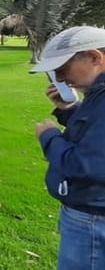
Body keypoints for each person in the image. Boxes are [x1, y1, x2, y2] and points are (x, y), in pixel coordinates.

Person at [30, 26, 105, 270]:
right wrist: (69, 110)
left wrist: (49, 137)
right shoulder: (97, 94)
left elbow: (87, 165)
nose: (60, 79)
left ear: (95, 58)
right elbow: (93, 134)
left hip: (93, 218)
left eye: (62, 70)